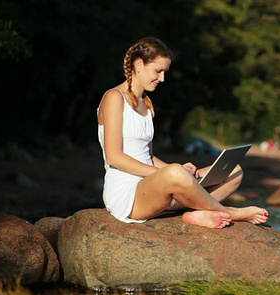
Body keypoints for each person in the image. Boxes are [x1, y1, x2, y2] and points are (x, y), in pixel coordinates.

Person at [97, 37, 268, 229]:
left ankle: (195, 214)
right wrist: (170, 173)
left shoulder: (146, 103)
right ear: (139, 64)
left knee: (233, 171)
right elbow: (114, 157)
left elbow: (149, 156)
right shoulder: (113, 98)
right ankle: (229, 211)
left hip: (156, 186)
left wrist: (177, 173)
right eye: (158, 71)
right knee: (176, 171)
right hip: (129, 194)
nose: (162, 79)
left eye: (165, 72)